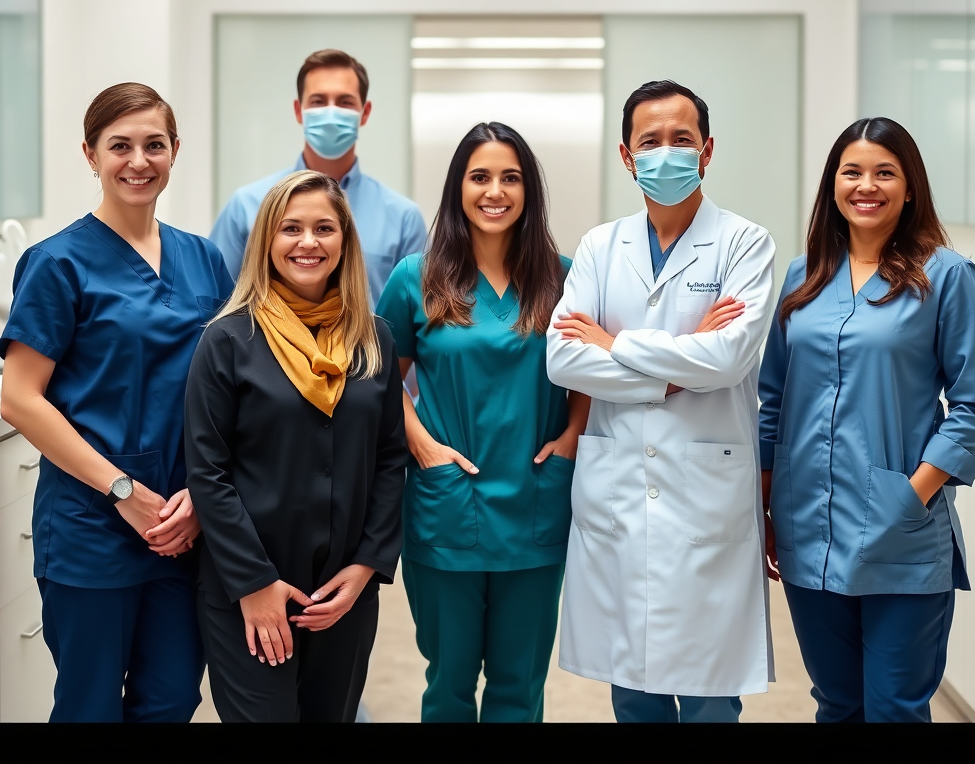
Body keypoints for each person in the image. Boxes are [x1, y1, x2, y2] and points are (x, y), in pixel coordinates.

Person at [0, 83, 234, 722]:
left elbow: (226, 388)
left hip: (181, 525)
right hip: (92, 524)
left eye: (154, 144)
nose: (138, 161)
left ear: (175, 151)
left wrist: (201, 499)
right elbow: (21, 400)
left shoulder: (204, 260)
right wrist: (123, 493)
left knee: (174, 696)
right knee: (90, 704)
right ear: (90, 154)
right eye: (119, 145)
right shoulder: (57, 263)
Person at [758, 117, 975, 723]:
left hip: (901, 533)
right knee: (837, 703)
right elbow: (774, 401)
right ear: (833, 186)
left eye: (885, 172)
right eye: (853, 172)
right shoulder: (804, 276)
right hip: (805, 523)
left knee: (893, 707)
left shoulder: (945, 277)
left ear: (910, 187)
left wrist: (913, 494)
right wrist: (763, 507)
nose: (867, 186)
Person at [546, 79, 776, 724]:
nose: (666, 153)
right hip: (620, 489)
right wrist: (678, 363)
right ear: (627, 155)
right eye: (651, 141)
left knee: (709, 693)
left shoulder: (744, 243)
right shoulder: (599, 245)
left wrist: (614, 345)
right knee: (633, 684)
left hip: (705, 492)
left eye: (682, 140)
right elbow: (563, 358)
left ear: (706, 151)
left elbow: (730, 358)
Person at [376, 122, 590, 722]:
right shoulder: (415, 278)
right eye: (480, 177)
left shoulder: (563, 276)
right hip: (447, 504)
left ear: (529, 192)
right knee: (448, 684)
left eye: (510, 178)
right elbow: (378, 373)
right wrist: (419, 441)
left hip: (534, 502)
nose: (495, 191)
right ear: (458, 188)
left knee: (519, 686)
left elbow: (589, 369)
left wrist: (573, 435)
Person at [185, 170, 407, 723]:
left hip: (344, 594)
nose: (308, 243)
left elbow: (388, 458)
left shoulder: (373, 337)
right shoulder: (228, 339)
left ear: (344, 241)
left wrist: (365, 569)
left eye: (324, 228)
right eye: (291, 228)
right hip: (252, 588)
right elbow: (207, 471)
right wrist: (254, 585)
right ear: (266, 240)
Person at [209, 47, 426, 303]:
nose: (331, 113)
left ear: (364, 113)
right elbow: (217, 304)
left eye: (345, 102)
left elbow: (417, 316)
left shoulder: (403, 219)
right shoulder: (246, 206)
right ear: (299, 111)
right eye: (318, 101)